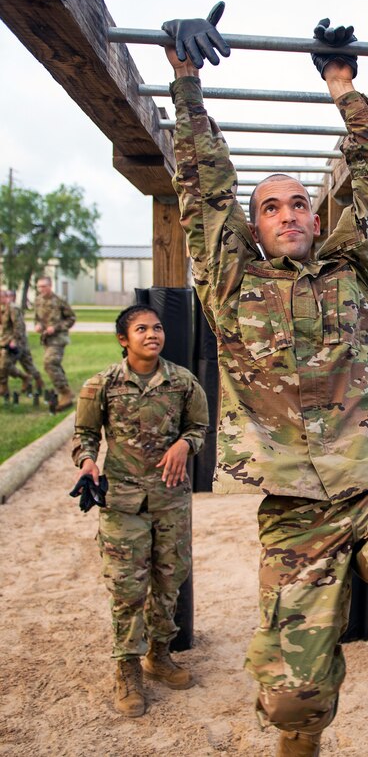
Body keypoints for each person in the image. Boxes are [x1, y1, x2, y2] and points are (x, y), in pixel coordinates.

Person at [164, 4, 368, 757]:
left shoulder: (356, 269)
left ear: (317, 213)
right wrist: (186, 83)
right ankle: (299, 741)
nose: (288, 213)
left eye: (299, 201)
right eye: (270, 206)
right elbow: (202, 188)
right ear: (253, 225)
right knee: (291, 698)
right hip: (296, 509)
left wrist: (343, 84)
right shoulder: (228, 278)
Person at [71, 304, 209, 718]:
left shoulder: (183, 383)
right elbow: (84, 434)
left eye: (158, 327)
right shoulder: (101, 385)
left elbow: (199, 428)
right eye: (142, 328)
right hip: (123, 502)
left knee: (169, 580)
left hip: (170, 499)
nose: (153, 334)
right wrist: (88, 462)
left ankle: (159, 655)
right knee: (128, 590)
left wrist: (185, 444)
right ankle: (127, 669)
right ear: (123, 339)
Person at [34, 276, 76, 410]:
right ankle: (65, 390)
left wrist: (56, 327)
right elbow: (37, 319)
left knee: (49, 363)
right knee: (54, 364)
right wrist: (38, 325)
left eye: (44, 286)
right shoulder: (38, 300)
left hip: (59, 338)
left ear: (50, 286)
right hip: (46, 339)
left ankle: (65, 393)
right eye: (39, 287)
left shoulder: (59, 300)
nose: (41, 289)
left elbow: (71, 318)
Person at [3, 289, 43, 397]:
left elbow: (19, 327)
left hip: (17, 343)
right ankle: (5, 387)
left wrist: (14, 341)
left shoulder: (13, 308)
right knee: (5, 364)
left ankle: (38, 382)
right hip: (5, 342)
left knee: (27, 365)